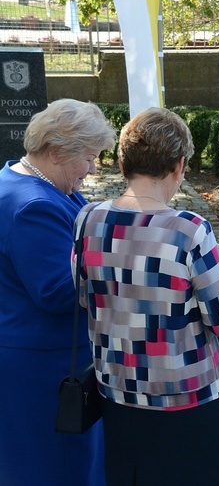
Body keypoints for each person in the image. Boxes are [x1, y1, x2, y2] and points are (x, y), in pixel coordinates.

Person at [74, 107, 219, 485]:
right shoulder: (189, 229)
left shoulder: (88, 218)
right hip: (187, 400)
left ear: (122, 162)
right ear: (179, 165)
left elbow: (85, 296)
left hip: (116, 392)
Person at [0, 99, 116, 485]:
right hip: (45, 369)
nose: (93, 168)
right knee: (60, 471)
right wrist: (122, 262)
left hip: (41, 361)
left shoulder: (32, 183)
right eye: (88, 157)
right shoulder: (33, 204)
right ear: (56, 151)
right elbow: (56, 292)